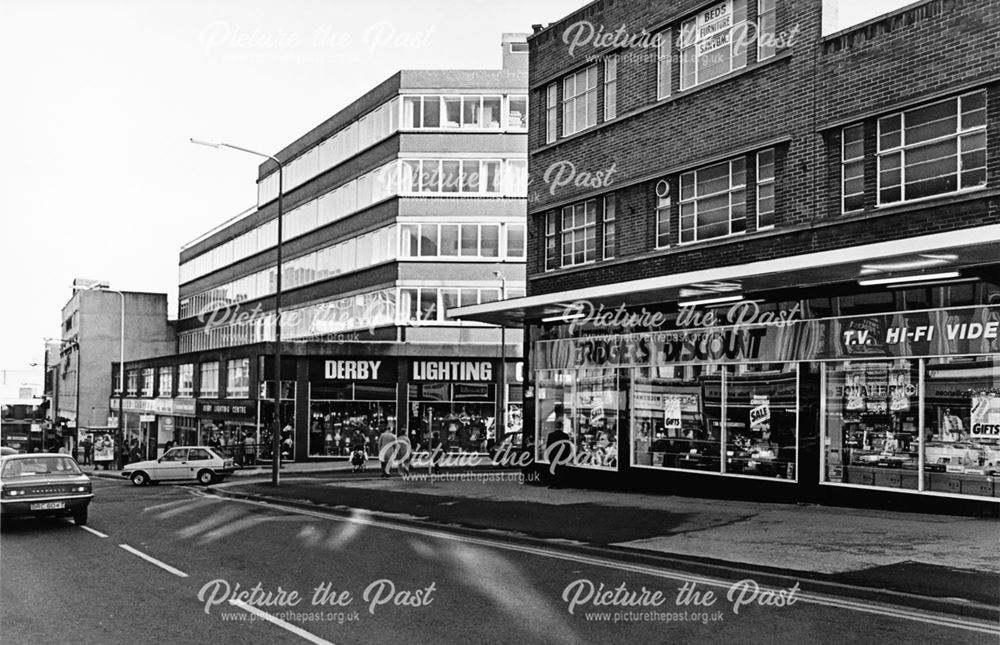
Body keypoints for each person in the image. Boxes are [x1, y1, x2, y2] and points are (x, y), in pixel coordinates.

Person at [546, 404, 571, 488]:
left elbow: (548, 446)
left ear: (556, 427)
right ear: (562, 427)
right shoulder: (565, 435)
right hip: (562, 456)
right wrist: (567, 456)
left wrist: (548, 456)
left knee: (552, 470)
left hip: (553, 455)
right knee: (560, 471)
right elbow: (567, 447)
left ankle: (552, 484)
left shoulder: (550, 435)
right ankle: (559, 485)